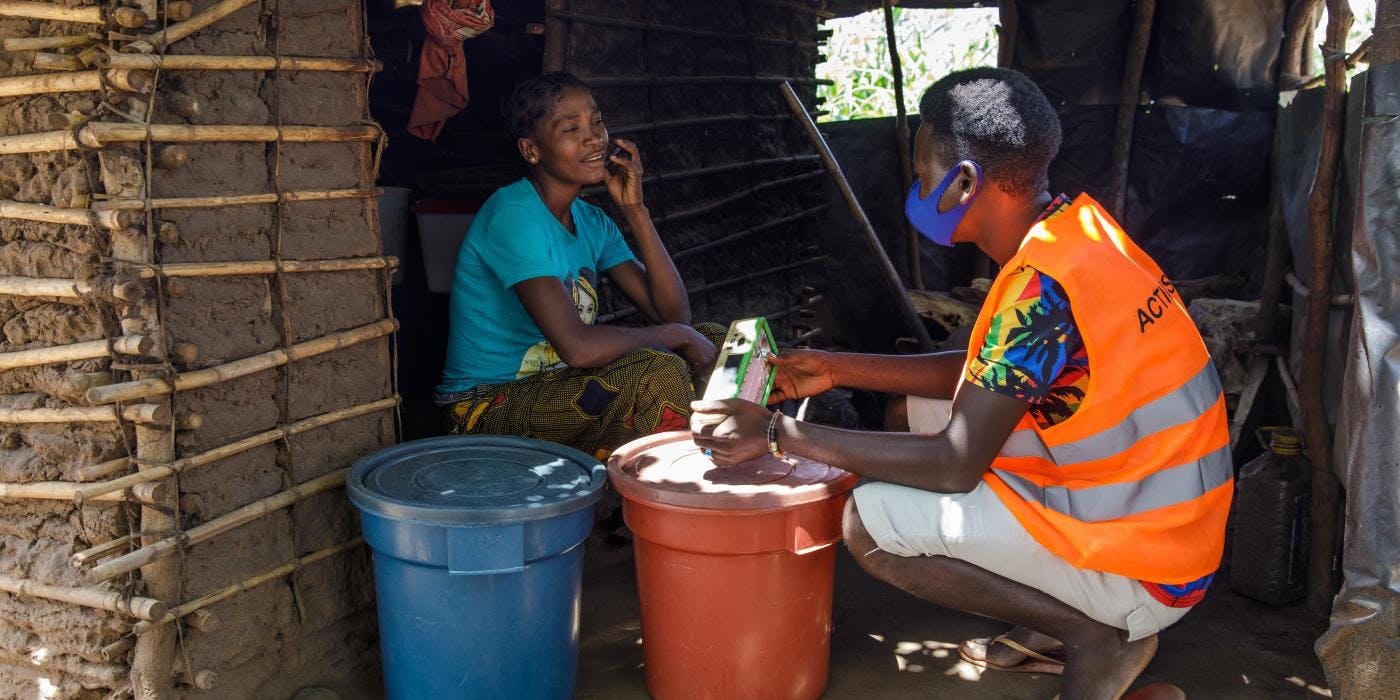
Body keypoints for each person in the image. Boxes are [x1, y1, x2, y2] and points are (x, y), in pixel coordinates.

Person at [691, 67, 1230, 700]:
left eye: (922, 176)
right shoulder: (1076, 235)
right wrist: (837, 366)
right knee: (907, 413)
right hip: (1163, 517)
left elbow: (953, 466)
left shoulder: (1040, 289)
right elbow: (983, 372)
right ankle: (1078, 618)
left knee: (866, 523)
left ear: (966, 182)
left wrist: (781, 435)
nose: (916, 189)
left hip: (1147, 563)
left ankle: (1094, 636)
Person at [437, 72, 722, 461]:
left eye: (597, 121)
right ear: (531, 149)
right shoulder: (514, 217)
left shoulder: (591, 221)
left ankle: (725, 461)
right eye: (572, 128)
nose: (594, 137)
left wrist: (635, 211)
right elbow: (577, 348)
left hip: (558, 386)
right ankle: (671, 495)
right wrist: (673, 334)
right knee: (657, 371)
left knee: (717, 340)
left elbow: (674, 314)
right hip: (484, 408)